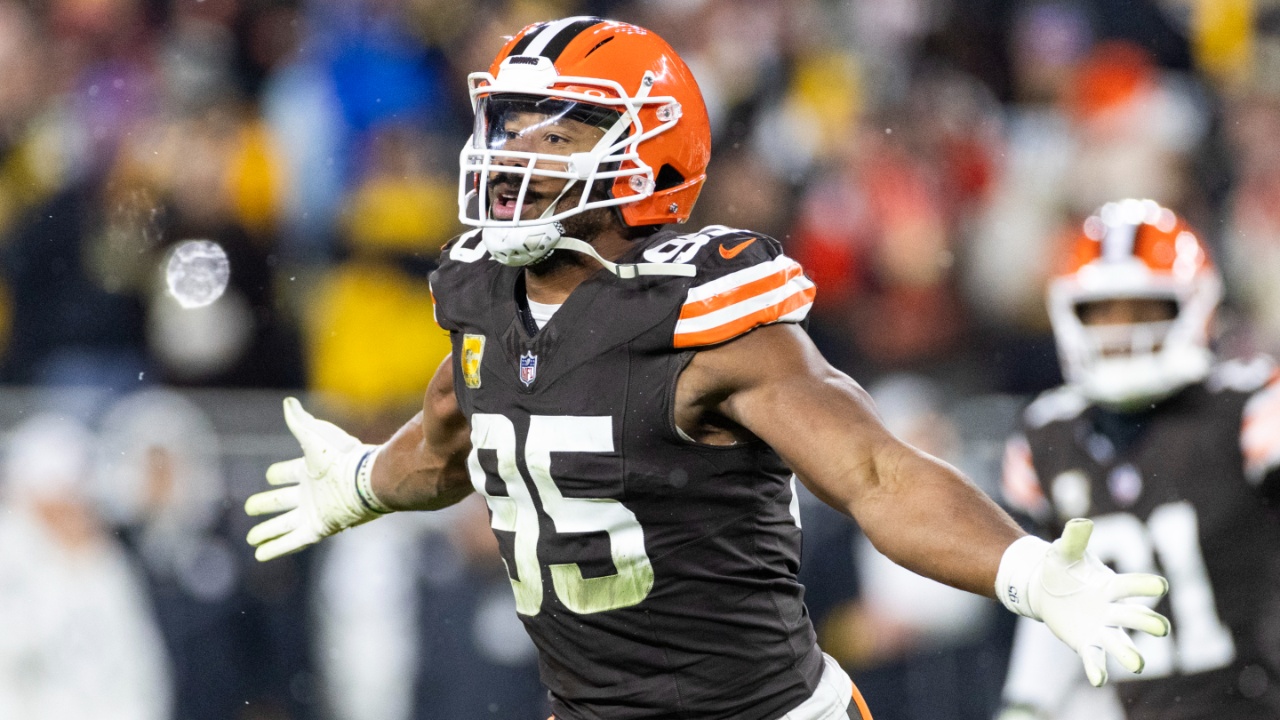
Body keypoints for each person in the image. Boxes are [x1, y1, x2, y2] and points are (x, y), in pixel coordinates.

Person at [244, 18, 1171, 720]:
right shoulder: (484, 297)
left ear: (647, 157)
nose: (513, 153)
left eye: (556, 135)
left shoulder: (705, 321)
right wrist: (364, 480)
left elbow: (878, 473)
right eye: (510, 125)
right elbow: (455, 440)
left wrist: (1023, 568)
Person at [997, 198, 1280, 719]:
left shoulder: (1251, 410)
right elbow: (1051, 598)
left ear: (1194, 306)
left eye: (1144, 309)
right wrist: (1027, 704)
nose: (1122, 331)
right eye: (1102, 311)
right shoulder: (1047, 437)